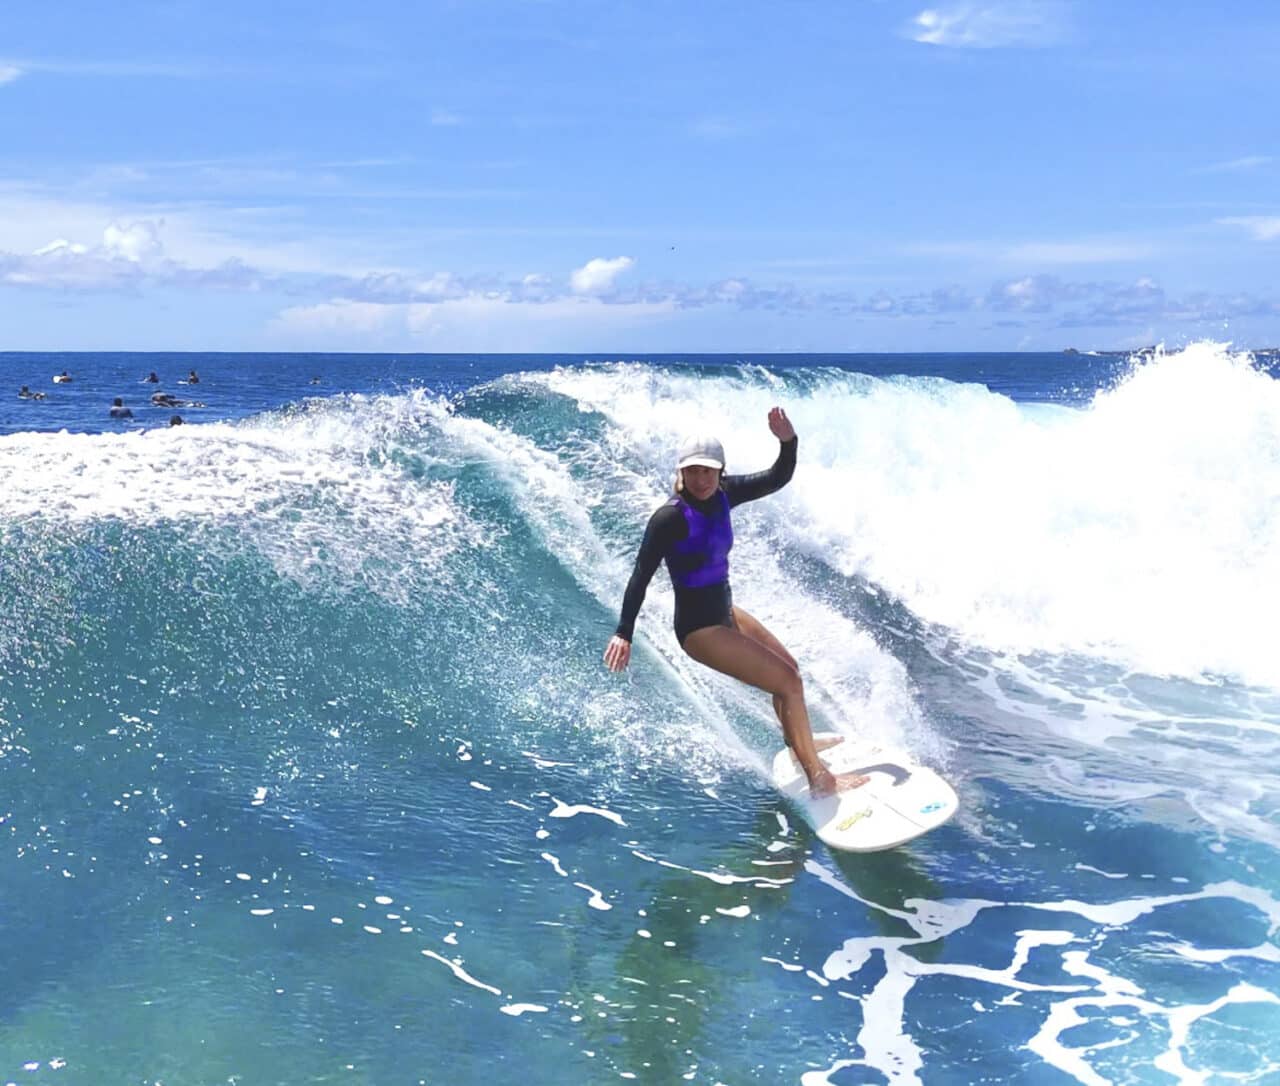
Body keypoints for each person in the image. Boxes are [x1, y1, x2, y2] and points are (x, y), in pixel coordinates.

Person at [603, 408, 866, 797]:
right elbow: (640, 575)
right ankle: (820, 779)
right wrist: (624, 632)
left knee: (790, 672)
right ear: (681, 472)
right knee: (789, 683)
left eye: (709, 471)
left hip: (724, 613)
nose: (702, 479)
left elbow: (777, 476)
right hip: (699, 630)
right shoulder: (669, 519)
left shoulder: (725, 494)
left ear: (721, 471)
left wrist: (788, 442)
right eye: (693, 471)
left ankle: (799, 747)